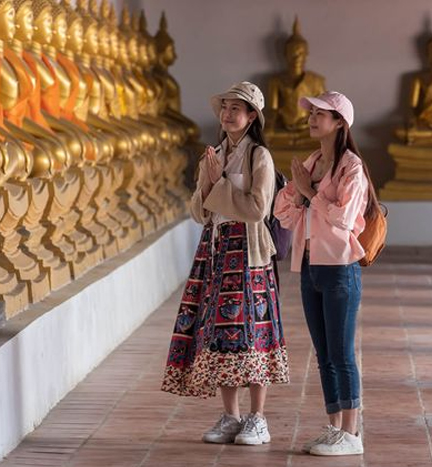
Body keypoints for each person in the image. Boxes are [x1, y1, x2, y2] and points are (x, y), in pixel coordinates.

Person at [161, 82, 289, 445]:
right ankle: (230, 416)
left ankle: (258, 418)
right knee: (220, 334)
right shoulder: (214, 153)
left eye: (238, 108)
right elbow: (198, 212)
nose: (229, 114)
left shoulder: (258, 156)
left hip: (248, 254)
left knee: (253, 332)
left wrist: (218, 185)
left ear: (252, 117)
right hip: (217, 252)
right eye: (226, 107)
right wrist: (208, 183)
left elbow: (256, 209)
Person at [274, 91, 376, 456]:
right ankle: (334, 427)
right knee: (323, 354)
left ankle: (352, 431)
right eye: (312, 113)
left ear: (339, 123)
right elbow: (283, 209)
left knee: (342, 353)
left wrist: (308, 194)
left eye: (321, 114)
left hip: (339, 269)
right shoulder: (314, 162)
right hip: (309, 265)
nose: (313, 118)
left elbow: (345, 218)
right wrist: (303, 193)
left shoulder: (352, 167)